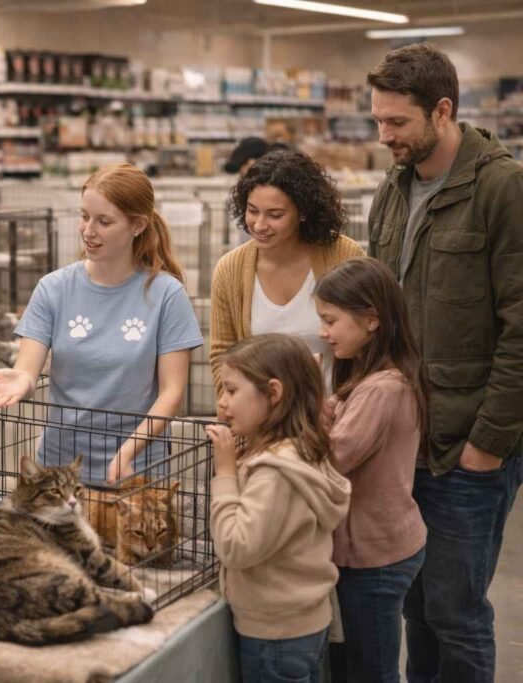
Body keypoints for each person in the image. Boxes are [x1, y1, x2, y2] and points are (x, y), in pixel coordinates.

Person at [366, 43, 523, 682]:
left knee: (457, 613)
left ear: (443, 110)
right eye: (378, 121)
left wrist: (488, 444)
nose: (384, 136)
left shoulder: (501, 188)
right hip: (403, 440)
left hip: (467, 445)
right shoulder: (392, 190)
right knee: (416, 607)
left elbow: (521, 328)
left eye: (397, 122)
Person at [0, 163, 203, 484]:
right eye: (84, 216)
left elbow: (172, 392)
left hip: (136, 470)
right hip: (60, 473)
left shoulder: (167, 294)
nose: (88, 230)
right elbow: (28, 367)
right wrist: (23, 379)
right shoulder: (53, 288)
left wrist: (128, 452)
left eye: (104, 221)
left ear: (138, 225)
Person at [207, 333, 350, 683]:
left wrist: (225, 474)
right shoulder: (302, 448)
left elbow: (236, 547)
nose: (222, 402)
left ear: (273, 393)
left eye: (231, 390)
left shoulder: (274, 473)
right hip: (305, 623)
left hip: (274, 636)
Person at [314, 258, 428, 682]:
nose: (323, 332)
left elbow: (332, 456)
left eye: (330, 321)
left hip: (375, 559)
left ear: (371, 320)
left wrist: (304, 407)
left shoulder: (382, 389)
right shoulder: (368, 376)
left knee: (372, 668)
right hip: (369, 551)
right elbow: (335, 414)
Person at [209, 149, 364, 398]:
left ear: (303, 212)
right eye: (252, 210)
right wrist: (236, 404)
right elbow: (222, 353)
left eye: (275, 215)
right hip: (262, 418)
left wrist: (349, 404)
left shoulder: (344, 256)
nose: (259, 225)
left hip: (339, 414)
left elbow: (370, 341)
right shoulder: (230, 269)